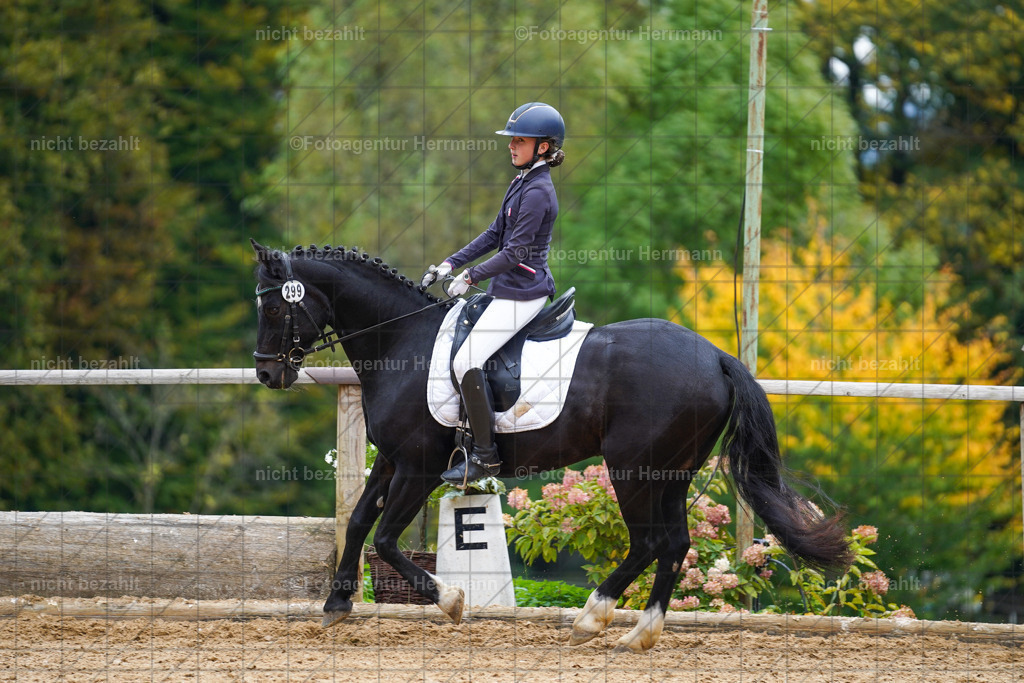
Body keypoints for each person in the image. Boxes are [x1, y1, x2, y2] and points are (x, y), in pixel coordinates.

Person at [422, 102, 566, 485]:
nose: (511, 146)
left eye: (520, 140)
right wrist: (450, 263)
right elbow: (493, 235)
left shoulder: (538, 191)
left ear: (544, 147)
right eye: (511, 139)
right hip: (507, 288)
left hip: (523, 293)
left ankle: (485, 458)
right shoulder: (521, 182)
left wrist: (470, 277)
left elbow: (516, 252)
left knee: (465, 361)